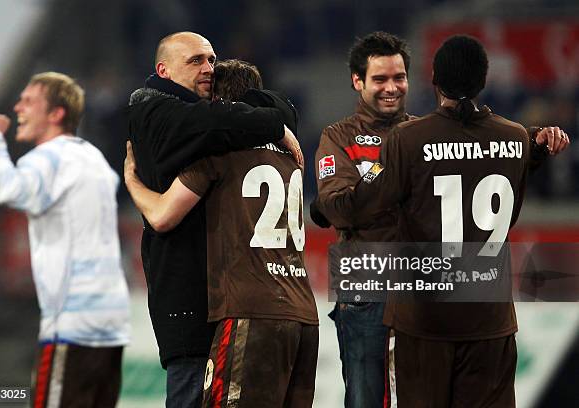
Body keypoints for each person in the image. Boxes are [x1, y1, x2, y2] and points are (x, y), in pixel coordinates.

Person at [312, 31, 569, 408]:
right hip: (369, 285)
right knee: (367, 399)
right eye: (380, 79)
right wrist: (532, 142)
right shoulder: (339, 136)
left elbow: (347, 205)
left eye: (398, 78)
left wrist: (324, 209)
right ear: (357, 81)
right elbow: (495, 146)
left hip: (422, 298)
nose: (391, 87)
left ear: (423, 79)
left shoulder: (416, 134)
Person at [125, 59, 319, 408]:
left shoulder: (221, 151)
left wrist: (131, 181)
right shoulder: (289, 155)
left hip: (251, 309)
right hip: (304, 313)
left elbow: (162, 216)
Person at [0, 72, 130, 408]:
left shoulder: (49, 158)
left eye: (29, 101)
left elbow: (9, 189)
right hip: (112, 320)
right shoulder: (92, 157)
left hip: (72, 320)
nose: (18, 107)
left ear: (56, 114)